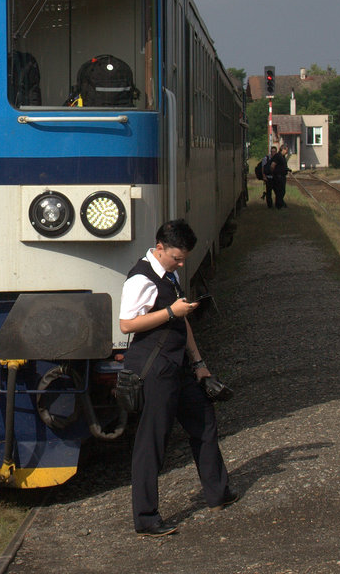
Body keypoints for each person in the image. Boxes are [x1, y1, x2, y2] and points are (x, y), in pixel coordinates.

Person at [119, 219, 238, 537]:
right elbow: (127, 325)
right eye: (177, 257)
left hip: (178, 366)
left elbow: (183, 322)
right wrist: (170, 312)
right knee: (152, 442)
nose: (182, 263)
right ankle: (145, 518)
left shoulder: (167, 274)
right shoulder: (140, 278)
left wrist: (199, 363)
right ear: (160, 248)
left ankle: (218, 493)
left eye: (184, 258)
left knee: (204, 421)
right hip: (154, 369)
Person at [267, 143, 290, 209]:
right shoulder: (278, 156)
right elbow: (272, 165)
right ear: (283, 149)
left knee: (282, 191)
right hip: (278, 177)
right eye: (286, 150)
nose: (287, 152)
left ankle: (280, 204)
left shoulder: (282, 157)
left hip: (282, 176)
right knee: (279, 192)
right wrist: (274, 173)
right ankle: (279, 206)